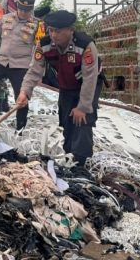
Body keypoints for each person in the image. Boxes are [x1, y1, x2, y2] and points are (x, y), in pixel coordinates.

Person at [16, 10, 103, 166]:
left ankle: (81, 162)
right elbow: (34, 70)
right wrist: (24, 92)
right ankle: (69, 156)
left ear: (71, 30)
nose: (54, 35)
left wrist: (82, 107)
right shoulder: (44, 44)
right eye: (51, 30)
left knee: (82, 120)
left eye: (58, 31)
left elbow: (90, 78)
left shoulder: (85, 45)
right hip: (66, 86)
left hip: (88, 84)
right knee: (67, 121)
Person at [0, 0, 44, 130]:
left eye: (27, 10)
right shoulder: (5, 19)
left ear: (31, 9)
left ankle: (20, 126)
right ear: (17, 7)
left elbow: (39, 48)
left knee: (22, 96)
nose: (24, 13)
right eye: (21, 9)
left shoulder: (37, 24)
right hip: (2, 60)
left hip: (22, 64)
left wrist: (36, 70)